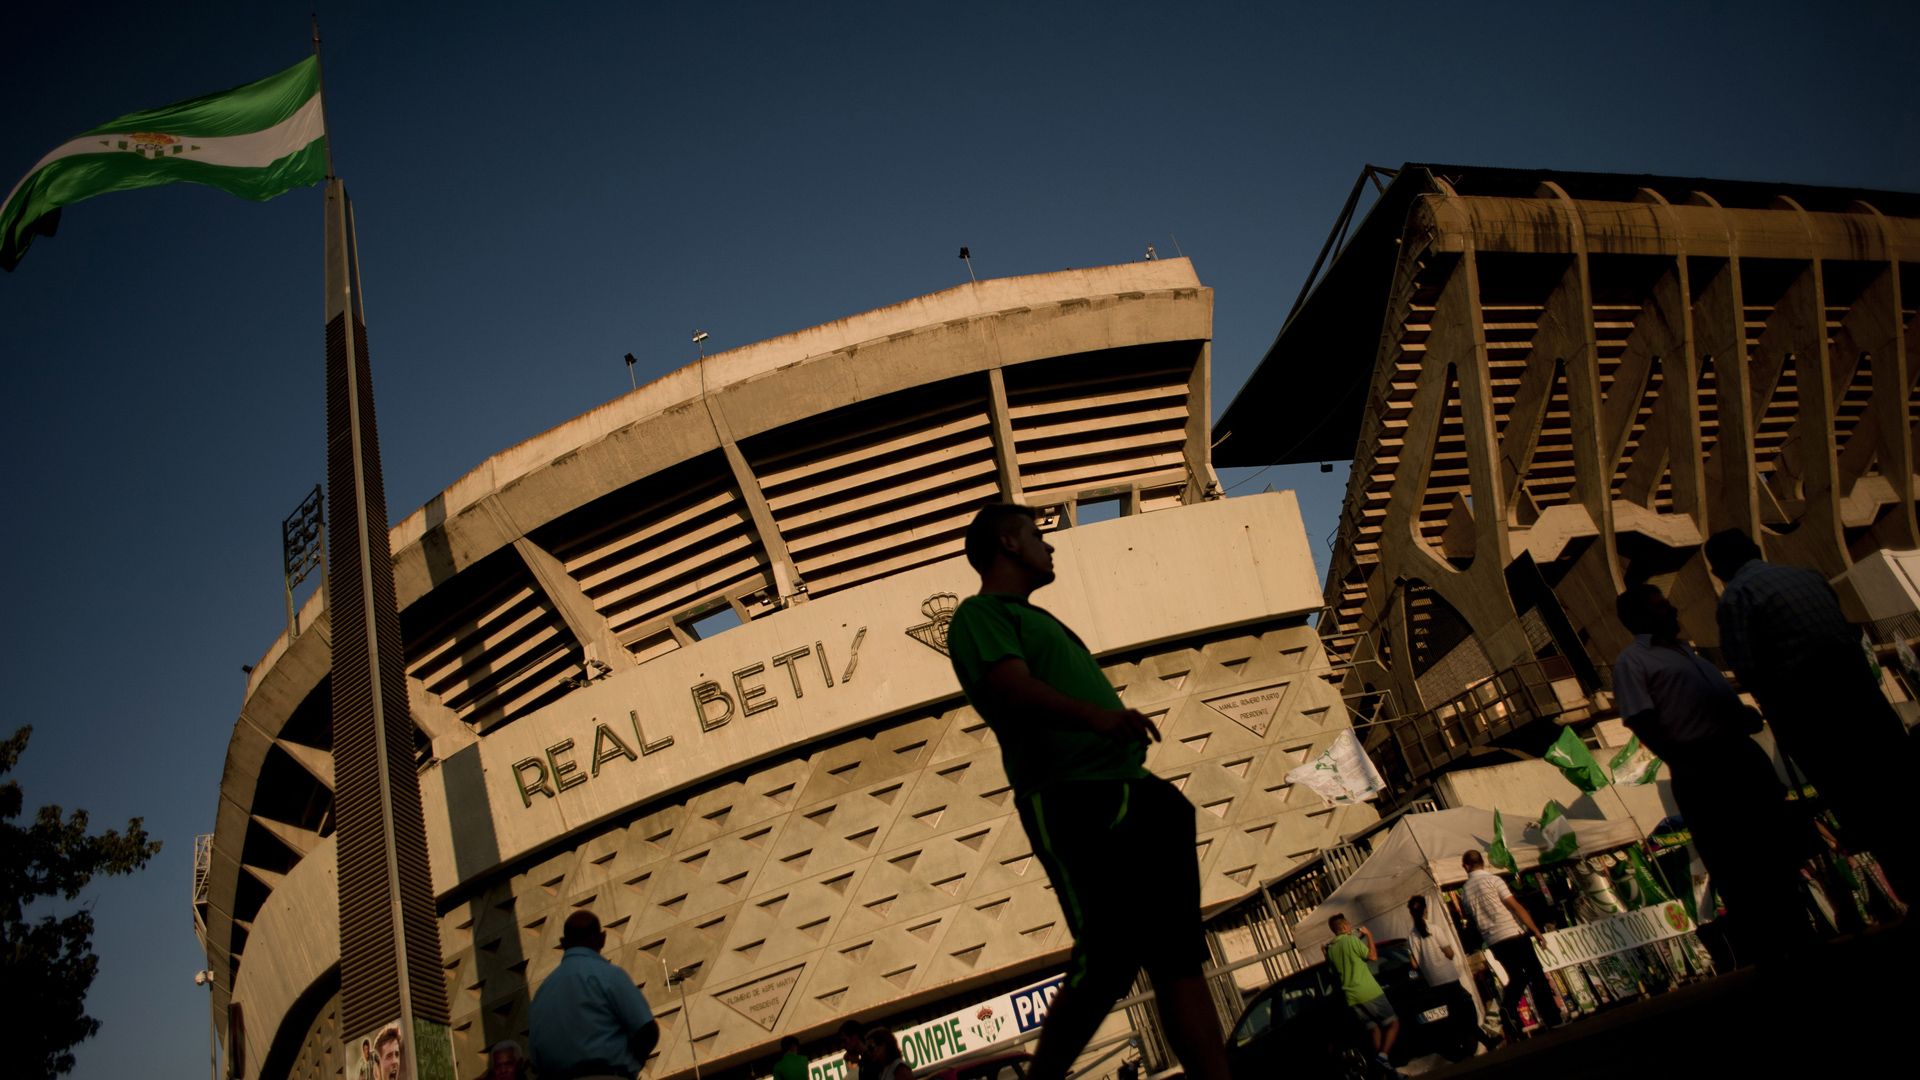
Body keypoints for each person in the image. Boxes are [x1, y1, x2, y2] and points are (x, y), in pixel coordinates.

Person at [945, 503, 1230, 1080]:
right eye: (1036, 535)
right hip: (1074, 796)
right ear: (1007, 542)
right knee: (1107, 960)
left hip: (1138, 792)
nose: (1048, 546)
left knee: (1179, 964)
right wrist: (1099, 719)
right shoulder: (980, 615)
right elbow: (1010, 687)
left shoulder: (1039, 618)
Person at [1705, 528, 1915, 901]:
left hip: (1813, 709)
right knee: (1898, 786)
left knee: (1860, 800)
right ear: (1755, 550)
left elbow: (1745, 664)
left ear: (1719, 568)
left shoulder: (1737, 596)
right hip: (1861, 695)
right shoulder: (1806, 576)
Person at [1612, 584, 1812, 960]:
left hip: (1740, 757)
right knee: (1737, 861)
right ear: (1637, 618)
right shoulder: (1634, 661)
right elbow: (1641, 719)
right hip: (1703, 767)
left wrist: (1742, 717)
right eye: (1660, 606)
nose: (1671, 610)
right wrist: (1683, 761)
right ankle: (1772, 949)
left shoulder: (1692, 655)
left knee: (1774, 852)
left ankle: (1797, 930)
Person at [530, 910, 660, 1080]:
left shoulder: (542, 992)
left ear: (563, 942)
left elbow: (537, 1059)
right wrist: (632, 1063)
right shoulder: (608, 975)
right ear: (602, 938)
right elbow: (647, 1030)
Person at [1459, 849, 1561, 1036]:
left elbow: (1471, 919)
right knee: (1535, 974)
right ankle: (1552, 1018)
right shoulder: (1494, 880)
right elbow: (1515, 906)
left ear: (1466, 866)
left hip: (1494, 940)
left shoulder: (1465, 892)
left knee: (1517, 976)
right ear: (1483, 862)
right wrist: (1536, 930)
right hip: (1513, 933)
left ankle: (1508, 1008)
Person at [1406, 895, 1497, 1056]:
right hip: (1448, 976)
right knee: (1465, 1009)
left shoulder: (1412, 936)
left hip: (1433, 981)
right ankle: (1481, 1041)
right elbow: (1449, 952)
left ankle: (1472, 1043)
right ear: (1426, 910)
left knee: (1455, 1012)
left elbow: (1415, 964)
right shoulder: (1434, 929)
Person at [1323, 913, 1399, 1075]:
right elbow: (1372, 956)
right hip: (1368, 991)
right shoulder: (1351, 940)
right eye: (1348, 925)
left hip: (1351, 998)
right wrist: (1369, 935)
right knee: (1393, 1023)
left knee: (1374, 1030)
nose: (1350, 927)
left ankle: (1388, 1071)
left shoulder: (1331, 949)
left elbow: (1332, 973)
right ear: (1344, 927)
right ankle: (1383, 1056)